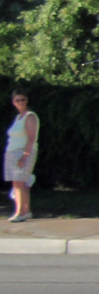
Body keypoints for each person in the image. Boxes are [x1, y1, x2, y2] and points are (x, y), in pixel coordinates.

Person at [7, 91, 39, 222]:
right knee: (20, 183)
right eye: (17, 100)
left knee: (18, 183)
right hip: (13, 151)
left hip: (23, 152)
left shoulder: (30, 116)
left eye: (22, 99)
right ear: (13, 102)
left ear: (27, 100)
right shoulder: (18, 117)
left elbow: (31, 138)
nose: (20, 102)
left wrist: (25, 156)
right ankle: (25, 211)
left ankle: (19, 212)